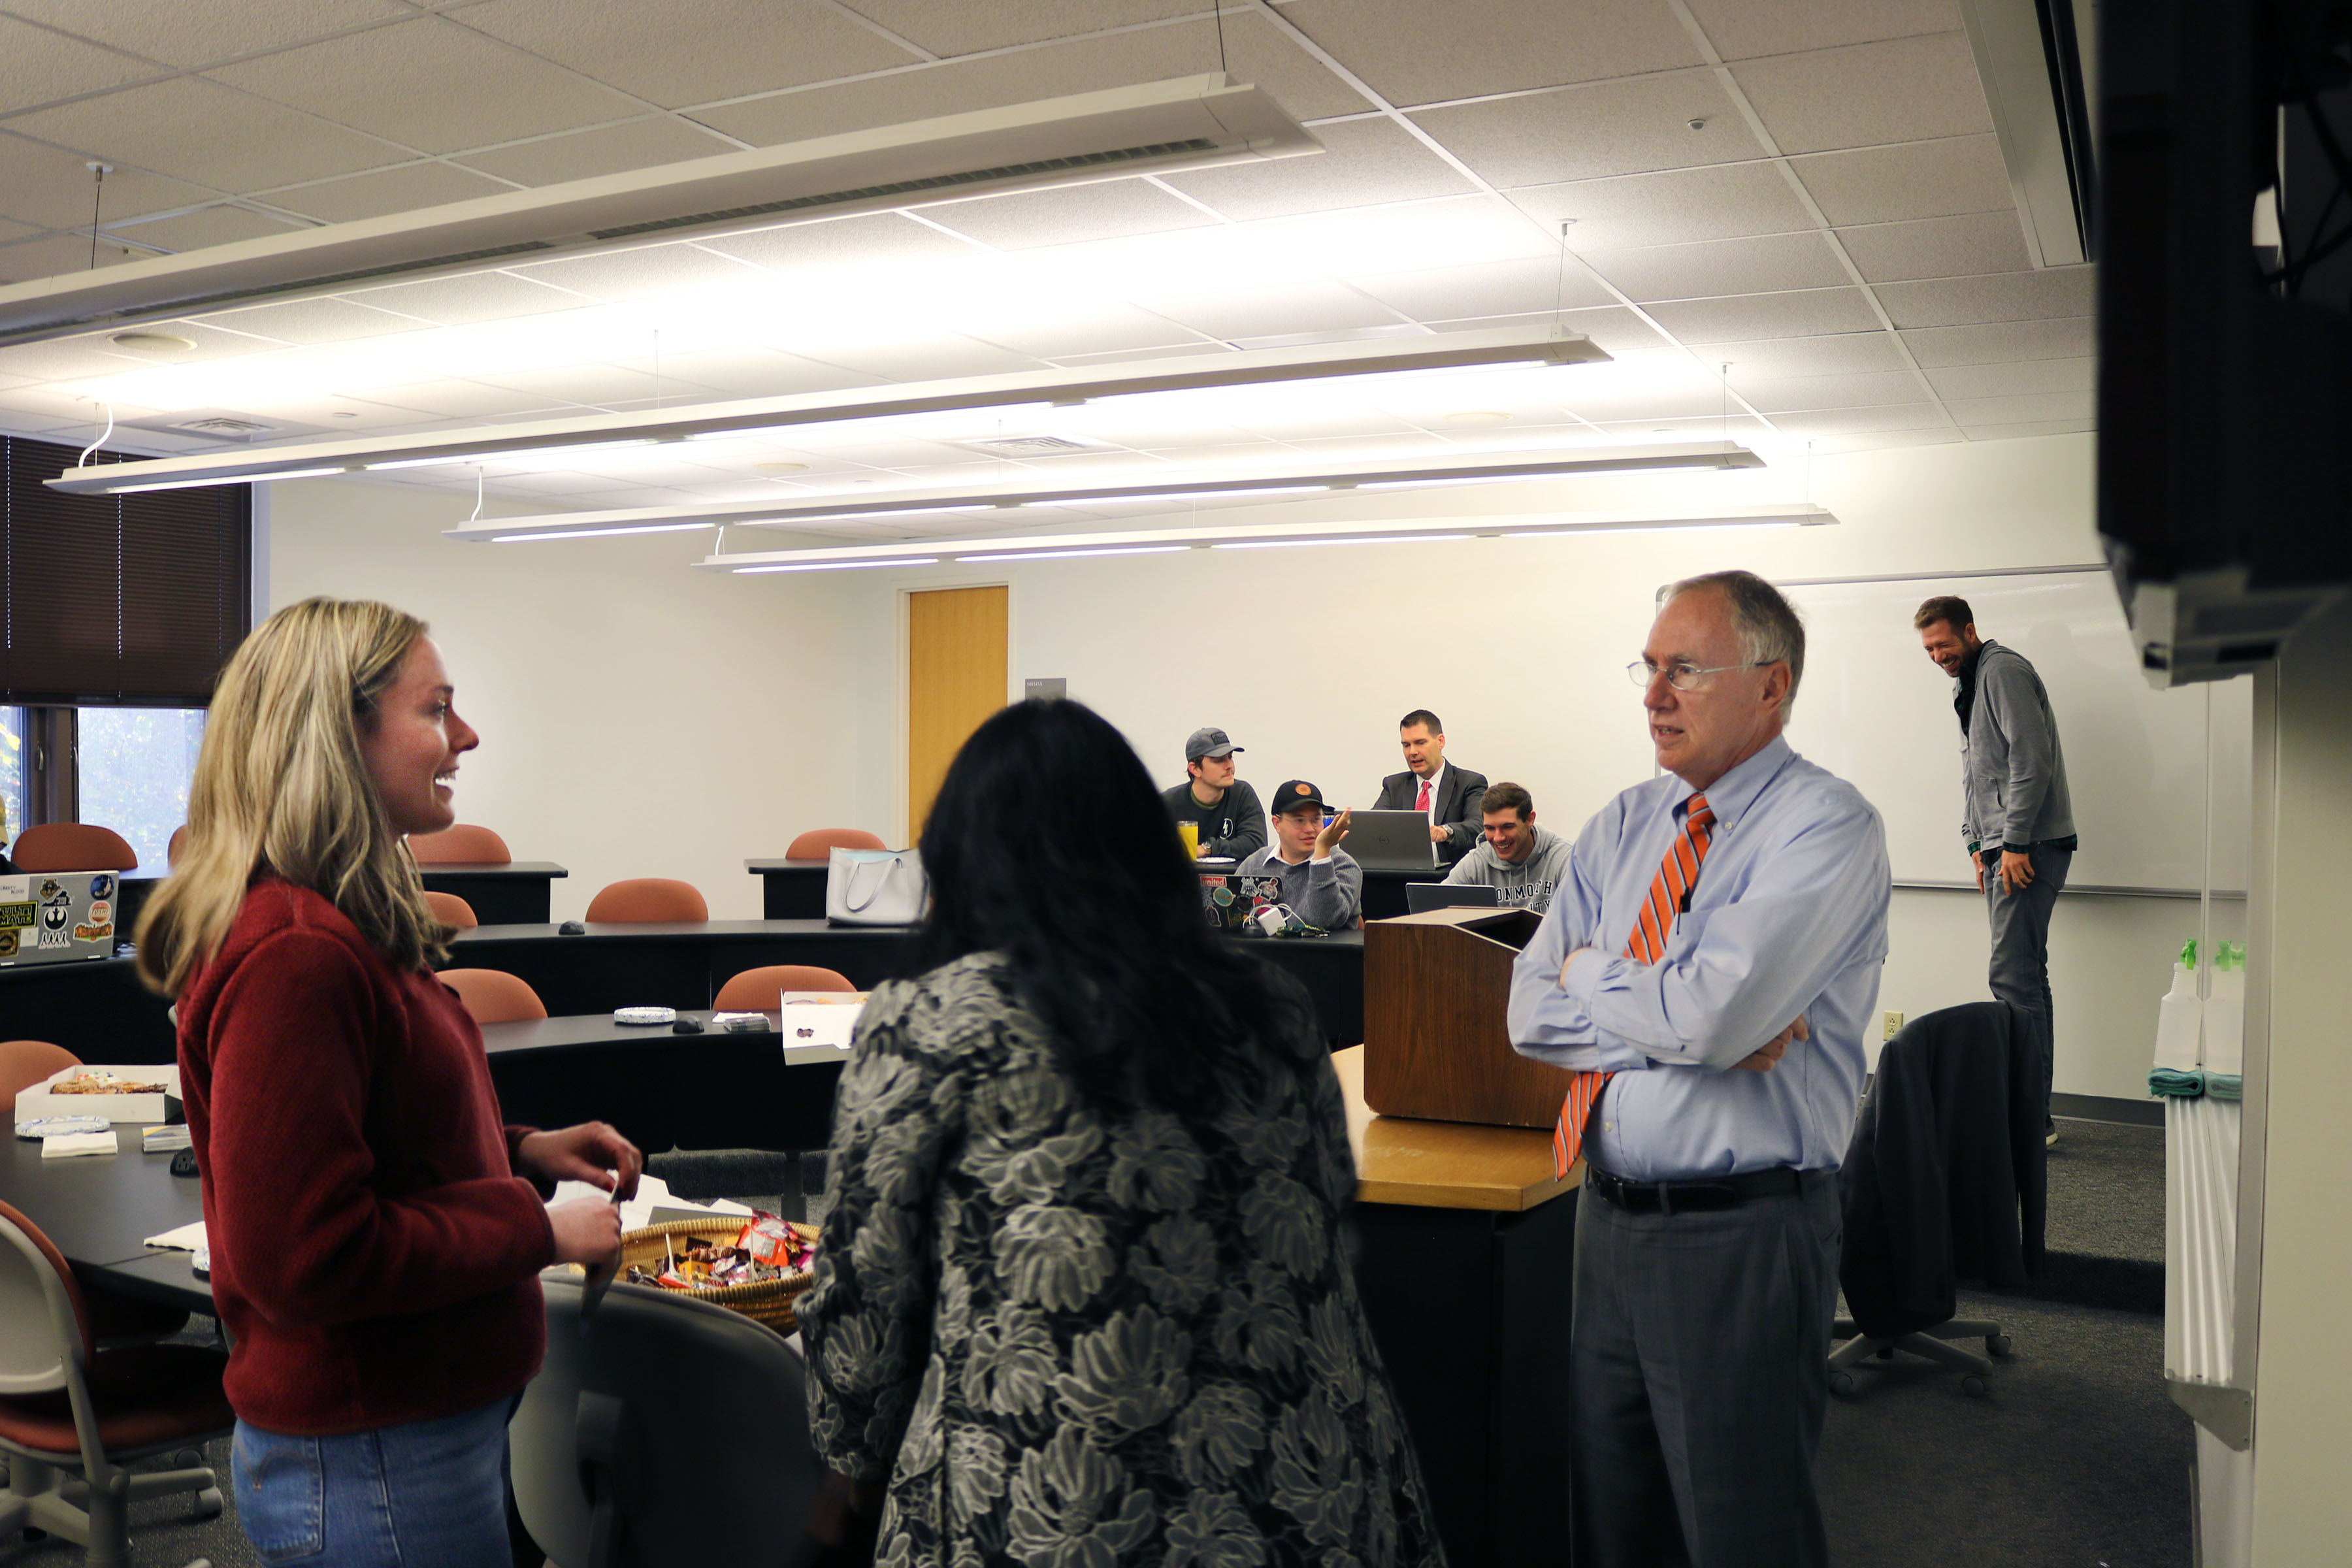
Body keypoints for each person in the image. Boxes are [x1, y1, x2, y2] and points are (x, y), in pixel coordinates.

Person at [800, 698, 1444, 1568]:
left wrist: (850, 1471)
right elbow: (1331, 1213)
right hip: (1306, 1489)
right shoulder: (1272, 1008)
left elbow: (863, 1298)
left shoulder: (934, 1021)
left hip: (1050, 1506)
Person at [134, 598, 640, 1568]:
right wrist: (536, 1228)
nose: (468, 736)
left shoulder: (337, 921)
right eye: (436, 710)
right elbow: (307, 1257)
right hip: (374, 1449)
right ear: (338, 736)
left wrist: (522, 1154)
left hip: (412, 1426)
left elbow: (384, 1138)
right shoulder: (297, 954)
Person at [1506, 570, 1889, 1567]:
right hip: (1604, 1221)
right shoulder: (1625, 822)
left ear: (1771, 684)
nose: (1653, 695)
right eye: (1649, 667)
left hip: (1742, 1233)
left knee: (1740, 1531)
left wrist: (1597, 975)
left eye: (1684, 670)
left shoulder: (1826, 828)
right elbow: (1526, 1010)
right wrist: (1651, 1006)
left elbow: (1712, 1015)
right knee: (1617, 1524)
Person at [1916, 595, 2076, 1143]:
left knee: (2011, 978)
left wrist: (2012, 843)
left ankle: (2028, 1118)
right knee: (2026, 975)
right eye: (1929, 649)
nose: (1937, 656)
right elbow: (1977, 772)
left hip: (2030, 845)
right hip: (2004, 846)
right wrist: (1976, 846)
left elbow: (2030, 761)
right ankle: (2035, 1115)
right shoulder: (1967, 683)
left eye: (1943, 643)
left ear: (1969, 630)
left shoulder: (2003, 670)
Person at [1237, 779, 1364, 929]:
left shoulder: (1344, 865)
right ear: (1277, 823)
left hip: (1322, 952)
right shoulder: (1255, 864)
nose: (1310, 828)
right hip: (1262, 952)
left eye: (1316, 819)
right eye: (1299, 820)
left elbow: (1323, 921)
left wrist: (1322, 853)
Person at [1372, 710, 1487, 868]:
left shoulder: (1470, 783)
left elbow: (1480, 826)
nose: (1412, 752)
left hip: (1451, 876)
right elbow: (1374, 824)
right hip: (1402, 875)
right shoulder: (1394, 785)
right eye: (1406, 745)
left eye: (1420, 743)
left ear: (1441, 742)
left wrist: (1446, 832)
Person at [1442, 781, 1574, 911]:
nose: (1498, 837)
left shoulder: (1564, 858)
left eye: (1508, 827)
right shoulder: (1477, 862)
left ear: (1530, 819)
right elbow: (1437, 907)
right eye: (1490, 828)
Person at [1162, 725, 1266, 860]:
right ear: (1195, 769)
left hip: (1232, 880)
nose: (1230, 766)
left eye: (1230, 757)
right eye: (1219, 760)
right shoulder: (1168, 803)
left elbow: (1256, 844)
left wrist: (1207, 849)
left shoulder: (1242, 794)